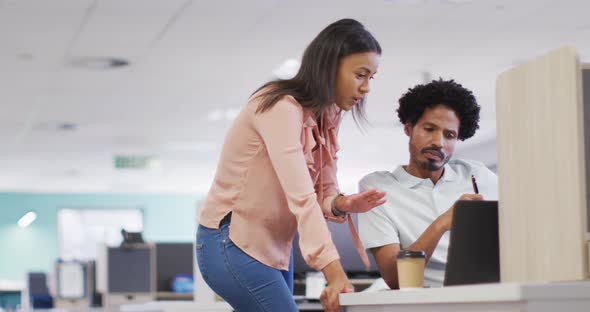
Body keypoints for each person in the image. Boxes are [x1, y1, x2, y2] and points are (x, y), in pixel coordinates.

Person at [196, 19, 386, 312]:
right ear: (329, 66)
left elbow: (323, 189)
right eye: (360, 74)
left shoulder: (328, 114)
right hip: (230, 241)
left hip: (275, 247)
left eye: (371, 77)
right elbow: (301, 197)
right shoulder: (280, 107)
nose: (366, 87)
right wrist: (333, 273)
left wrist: (342, 203)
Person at [358, 78, 498, 289]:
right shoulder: (378, 188)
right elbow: (396, 279)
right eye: (429, 129)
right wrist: (441, 224)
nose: (438, 142)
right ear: (409, 128)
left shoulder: (476, 176)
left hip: (481, 292)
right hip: (422, 301)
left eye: (449, 135)